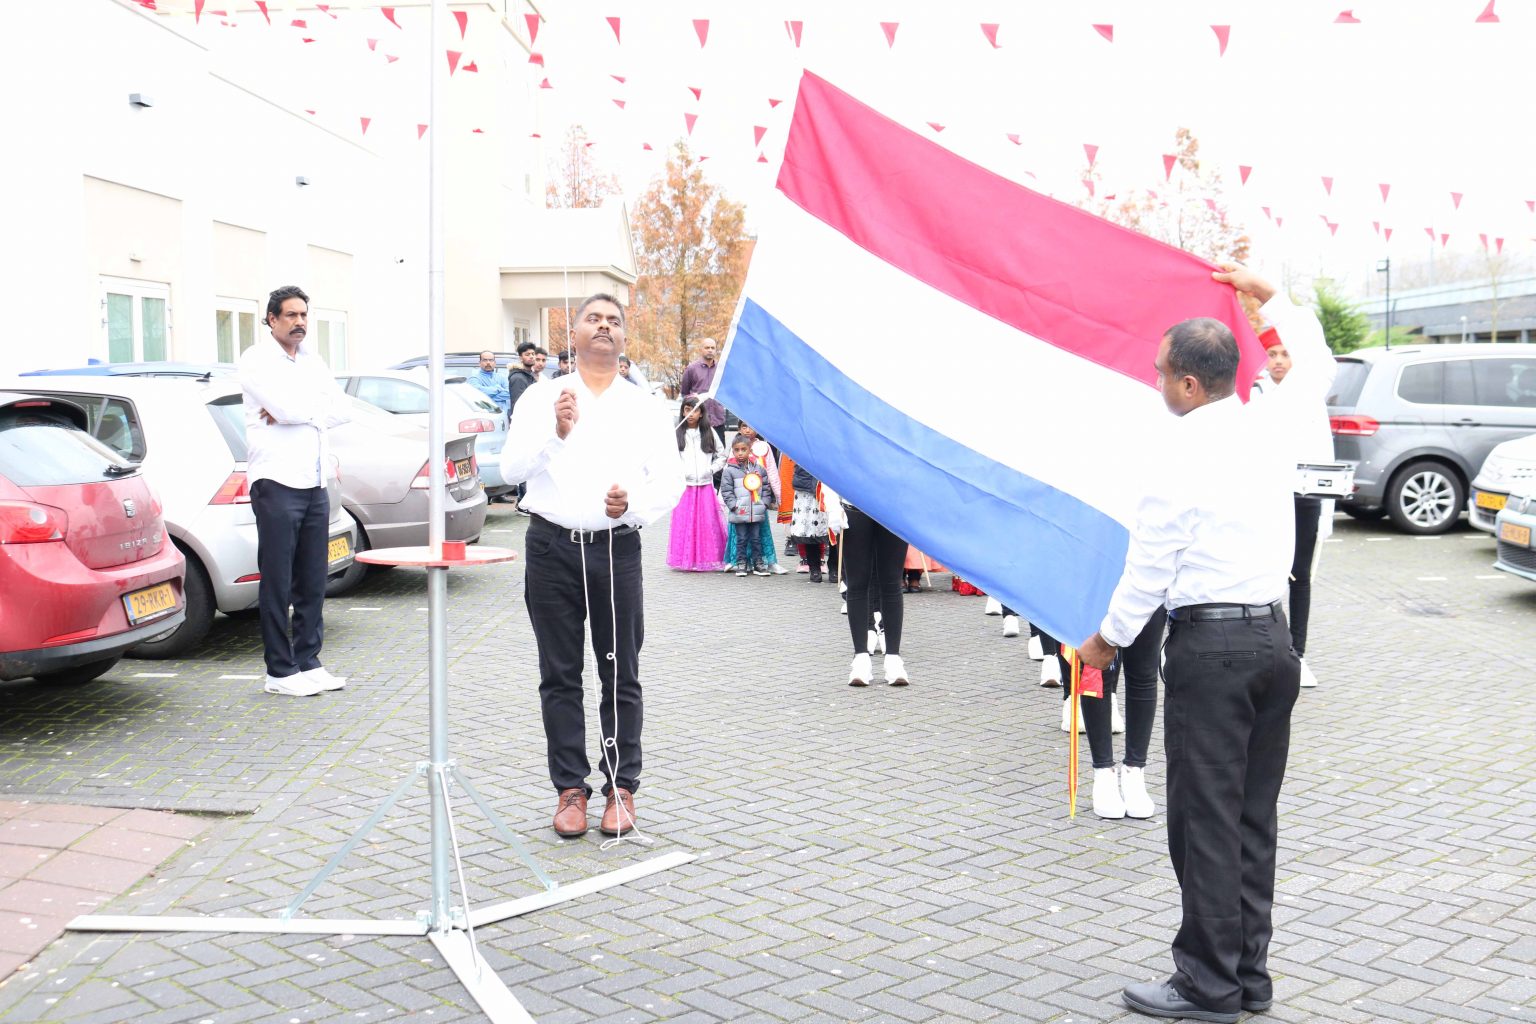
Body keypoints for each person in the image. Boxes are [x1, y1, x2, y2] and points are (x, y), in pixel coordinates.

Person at [1077, 264, 1334, 1024]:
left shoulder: (1179, 453)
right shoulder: (1271, 423)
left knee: (1206, 825)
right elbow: (1314, 365)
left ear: (1190, 385)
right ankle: (1248, 976)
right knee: (1251, 820)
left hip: (1213, 654)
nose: (1156, 381)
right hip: (1274, 646)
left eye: (1162, 372)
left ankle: (1207, 985)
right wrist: (1269, 295)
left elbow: (1148, 569)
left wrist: (1105, 642)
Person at [499, 293, 684, 840]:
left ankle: (621, 787)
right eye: (593, 319)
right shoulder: (542, 397)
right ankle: (569, 790)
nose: (604, 326)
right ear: (573, 332)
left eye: (614, 321)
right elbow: (510, 469)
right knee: (559, 674)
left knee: (620, 670)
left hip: (615, 550)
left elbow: (669, 481)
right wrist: (553, 435)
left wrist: (634, 505)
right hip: (551, 549)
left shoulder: (644, 406)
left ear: (624, 336)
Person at [238, 285, 351, 698]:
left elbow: (343, 410)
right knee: (278, 581)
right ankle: (280, 671)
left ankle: (309, 662)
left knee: (313, 579)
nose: (299, 322)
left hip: (315, 480)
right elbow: (284, 410)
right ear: (272, 319)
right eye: (290, 315)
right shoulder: (256, 360)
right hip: (277, 481)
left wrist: (298, 412)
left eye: (303, 315)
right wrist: (301, 410)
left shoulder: (313, 360)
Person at [1251, 328, 1334, 690]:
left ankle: (1297, 653)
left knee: (1300, 575)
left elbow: (1324, 451)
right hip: (1267, 496)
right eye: (1272, 354)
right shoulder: (1254, 395)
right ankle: (1264, 649)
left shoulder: (1310, 395)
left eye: (1285, 353)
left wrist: (1327, 510)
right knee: (1262, 572)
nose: (1279, 361)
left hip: (1305, 495)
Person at [667, 396, 726, 571]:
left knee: (707, 523)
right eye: (687, 410)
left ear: (701, 413)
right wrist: (679, 473)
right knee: (685, 523)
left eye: (695, 410)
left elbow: (722, 455)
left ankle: (708, 558)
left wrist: (711, 470)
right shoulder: (677, 433)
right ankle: (686, 559)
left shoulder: (709, 432)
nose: (691, 414)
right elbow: (669, 459)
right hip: (685, 487)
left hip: (705, 485)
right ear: (682, 412)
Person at [721, 434, 779, 576]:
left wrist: (764, 504)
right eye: (737, 450)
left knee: (756, 538)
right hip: (739, 512)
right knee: (741, 539)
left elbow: (766, 488)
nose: (740, 453)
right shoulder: (729, 471)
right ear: (733, 451)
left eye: (743, 449)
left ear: (750, 450)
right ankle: (741, 563)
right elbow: (726, 491)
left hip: (757, 511)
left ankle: (758, 563)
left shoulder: (759, 469)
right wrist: (734, 506)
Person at [786, 462, 829, 582]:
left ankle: (835, 567)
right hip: (806, 484)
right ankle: (814, 567)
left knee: (833, 528)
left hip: (829, 483)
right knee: (809, 529)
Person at [677, 338, 726, 438]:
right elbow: (685, 394)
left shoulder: (721, 369)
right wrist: (693, 398)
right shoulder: (691, 369)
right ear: (701, 349)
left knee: (719, 447)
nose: (710, 350)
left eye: (712, 348)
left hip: (717, 420)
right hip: (698, 421)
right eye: (707, 348)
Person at [507, 341, 539, 412]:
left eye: (533, 354)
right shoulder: (518, 378)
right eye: (527, 354)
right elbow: (518, 404)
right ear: (521, 358)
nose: (531, 356)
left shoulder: (530, 375)